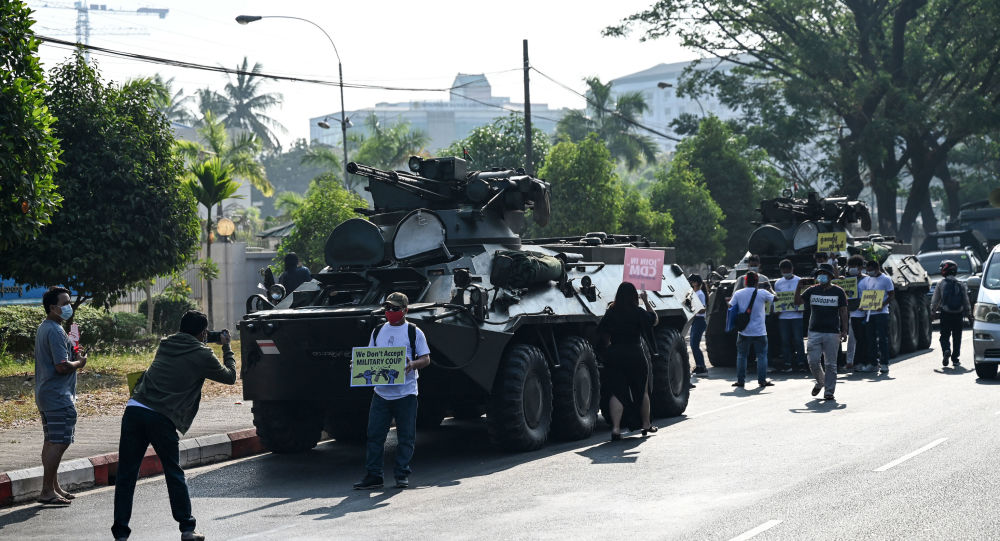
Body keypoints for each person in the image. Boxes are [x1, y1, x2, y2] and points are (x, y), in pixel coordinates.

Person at [112, 310, 237, 541]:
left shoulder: (166, 344)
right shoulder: (203, 354)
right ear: (203, 333)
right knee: (173, 472)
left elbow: (185, 343)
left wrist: (203, 338)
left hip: (135, 409)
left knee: (127, 474)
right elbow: (230, 377)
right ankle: (187, 529)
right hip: (162, 417)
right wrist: (226, 347)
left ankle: (120, 533)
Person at [354, 292, 431, 490]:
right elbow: (371, 356)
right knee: (375, 436)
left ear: (405, 310)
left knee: (406, 437)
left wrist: (412, 364)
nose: (390, 312)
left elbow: (426, 358)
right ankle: (374, 475)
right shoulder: (378, 331)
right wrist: (358, 366)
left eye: (395, 309)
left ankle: (402, 473)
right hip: (381, 393)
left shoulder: (414, 332)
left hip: (406, 393)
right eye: (387, 308)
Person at [34, 287, 87, 506]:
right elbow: (62, 366)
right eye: (65, 303)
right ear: (53, 307)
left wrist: (74, 350)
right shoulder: (55, 331)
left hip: (46, 394)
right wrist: (80, 363)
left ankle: (53, 487)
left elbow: (64, 357)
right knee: (59, 442)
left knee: (51, 441)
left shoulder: (48, 327)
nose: (69, 306)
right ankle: (47, 490)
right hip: (58, 396)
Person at [597, 282, 659, 441]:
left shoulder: (611, 312)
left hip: (615, 353)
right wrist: (646, 301)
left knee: (617, 391)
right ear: (634, 296)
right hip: (635, 353)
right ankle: (646, 424)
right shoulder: (638, 312)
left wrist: (608, 347)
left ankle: (616, 429)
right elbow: (654, 321)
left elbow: (602, 331)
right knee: (642, 390)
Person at [795, 264, 849, 400]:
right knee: (813, 361)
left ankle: (829, 391)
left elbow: (843, 311)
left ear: (831, 276)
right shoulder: (812, 290)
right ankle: (821, 382)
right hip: (814, 332)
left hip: (832, 332)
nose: (822, 276)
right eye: (820, 273)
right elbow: (797, 301)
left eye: (825, 273)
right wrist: (798, 287)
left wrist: (844, 330)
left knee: (830, 364)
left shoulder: (838, 291)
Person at [729, 271, 776, 388]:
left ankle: (740, 381)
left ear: (745, 281)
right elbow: (776, 299)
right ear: (757, 282)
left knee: (741, 355)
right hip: (760, 331)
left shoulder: (738, 293)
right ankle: (762, 380)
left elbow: (730, 306)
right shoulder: (763, 293)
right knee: (761, 356)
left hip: (743, 331)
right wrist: (769, 288)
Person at [931, 259, 973, 367]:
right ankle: (955, 359)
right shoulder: (961, 284)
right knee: (957, 337)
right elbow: (966, 301)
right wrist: (969, 315)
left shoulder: (941, 283)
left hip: (946, 314)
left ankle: (946, 350)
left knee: (944, 336)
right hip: (958, 315)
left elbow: (935, 300)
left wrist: (932, 312)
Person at [773, 260, 806, 373]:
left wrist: (800, 307)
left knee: (798, 340)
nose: (786, 272)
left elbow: (803, 297)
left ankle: (801, 362)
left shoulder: (799, 281)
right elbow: (777, 299)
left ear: (792, 269)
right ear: (781, 271)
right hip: (783, 317)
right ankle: (787, 363)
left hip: (797, 316)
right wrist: (777, 310)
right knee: (785, 341)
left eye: (788, 270)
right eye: (784, 271)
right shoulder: (778, 283)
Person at [863, 259, 895, 374]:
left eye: (871, 270)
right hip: (869, 314)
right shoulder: (868, 279)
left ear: (877, 269)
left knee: (882, 339)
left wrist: (883, 305)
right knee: (870, 339)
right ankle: (873, 363)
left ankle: (885, 363)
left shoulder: (886, 279)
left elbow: (891, 295)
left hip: (882, 314)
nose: (869, 272)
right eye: (867, 270)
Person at [843, 255, 868, 372]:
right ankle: (850, 361)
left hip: (866, 314)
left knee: (865, 339)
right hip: (853, 314)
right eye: (850, 266)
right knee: (853, 339)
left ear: (860, 267)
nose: (851, 268)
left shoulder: (867, 279)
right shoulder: (847, 280)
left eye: (853, 266)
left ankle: (865, 361)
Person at [688, 274, 708, 375]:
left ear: (695, 283)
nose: (691, 283)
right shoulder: (695, 293)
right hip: (696, 321)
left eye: (692, 282)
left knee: (694, 345)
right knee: (693, 344)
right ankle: (699, 365)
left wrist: (692, 310)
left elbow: (703, 309)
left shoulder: (700, 294)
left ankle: (702, 366)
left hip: (699, 320)